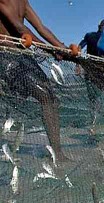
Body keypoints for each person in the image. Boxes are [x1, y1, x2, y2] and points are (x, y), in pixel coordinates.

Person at [0, 0, 67, 161]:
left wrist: (61, 47)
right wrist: (50, 49)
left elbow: (41, 27)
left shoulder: (23, 2)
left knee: (52, 98)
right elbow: (20, 28)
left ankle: (58, 153)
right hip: (5, 56)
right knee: (44, 95)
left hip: (23, 57)